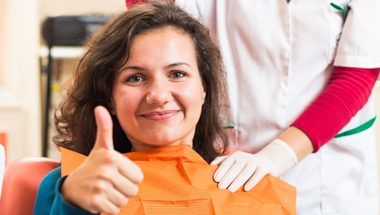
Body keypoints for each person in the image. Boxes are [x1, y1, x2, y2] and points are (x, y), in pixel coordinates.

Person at [34, 2, 296, 215]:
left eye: (178, 74)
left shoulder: (254, 184)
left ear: (204, 88)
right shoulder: (69, 184)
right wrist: (72, 204)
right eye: (135, 78)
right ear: (109, 98)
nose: (158, 96)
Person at [148, 0, 379, 214]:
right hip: (223, 162)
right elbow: (150, 30)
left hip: (325, 175)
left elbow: (357, 77)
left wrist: (276, 157)